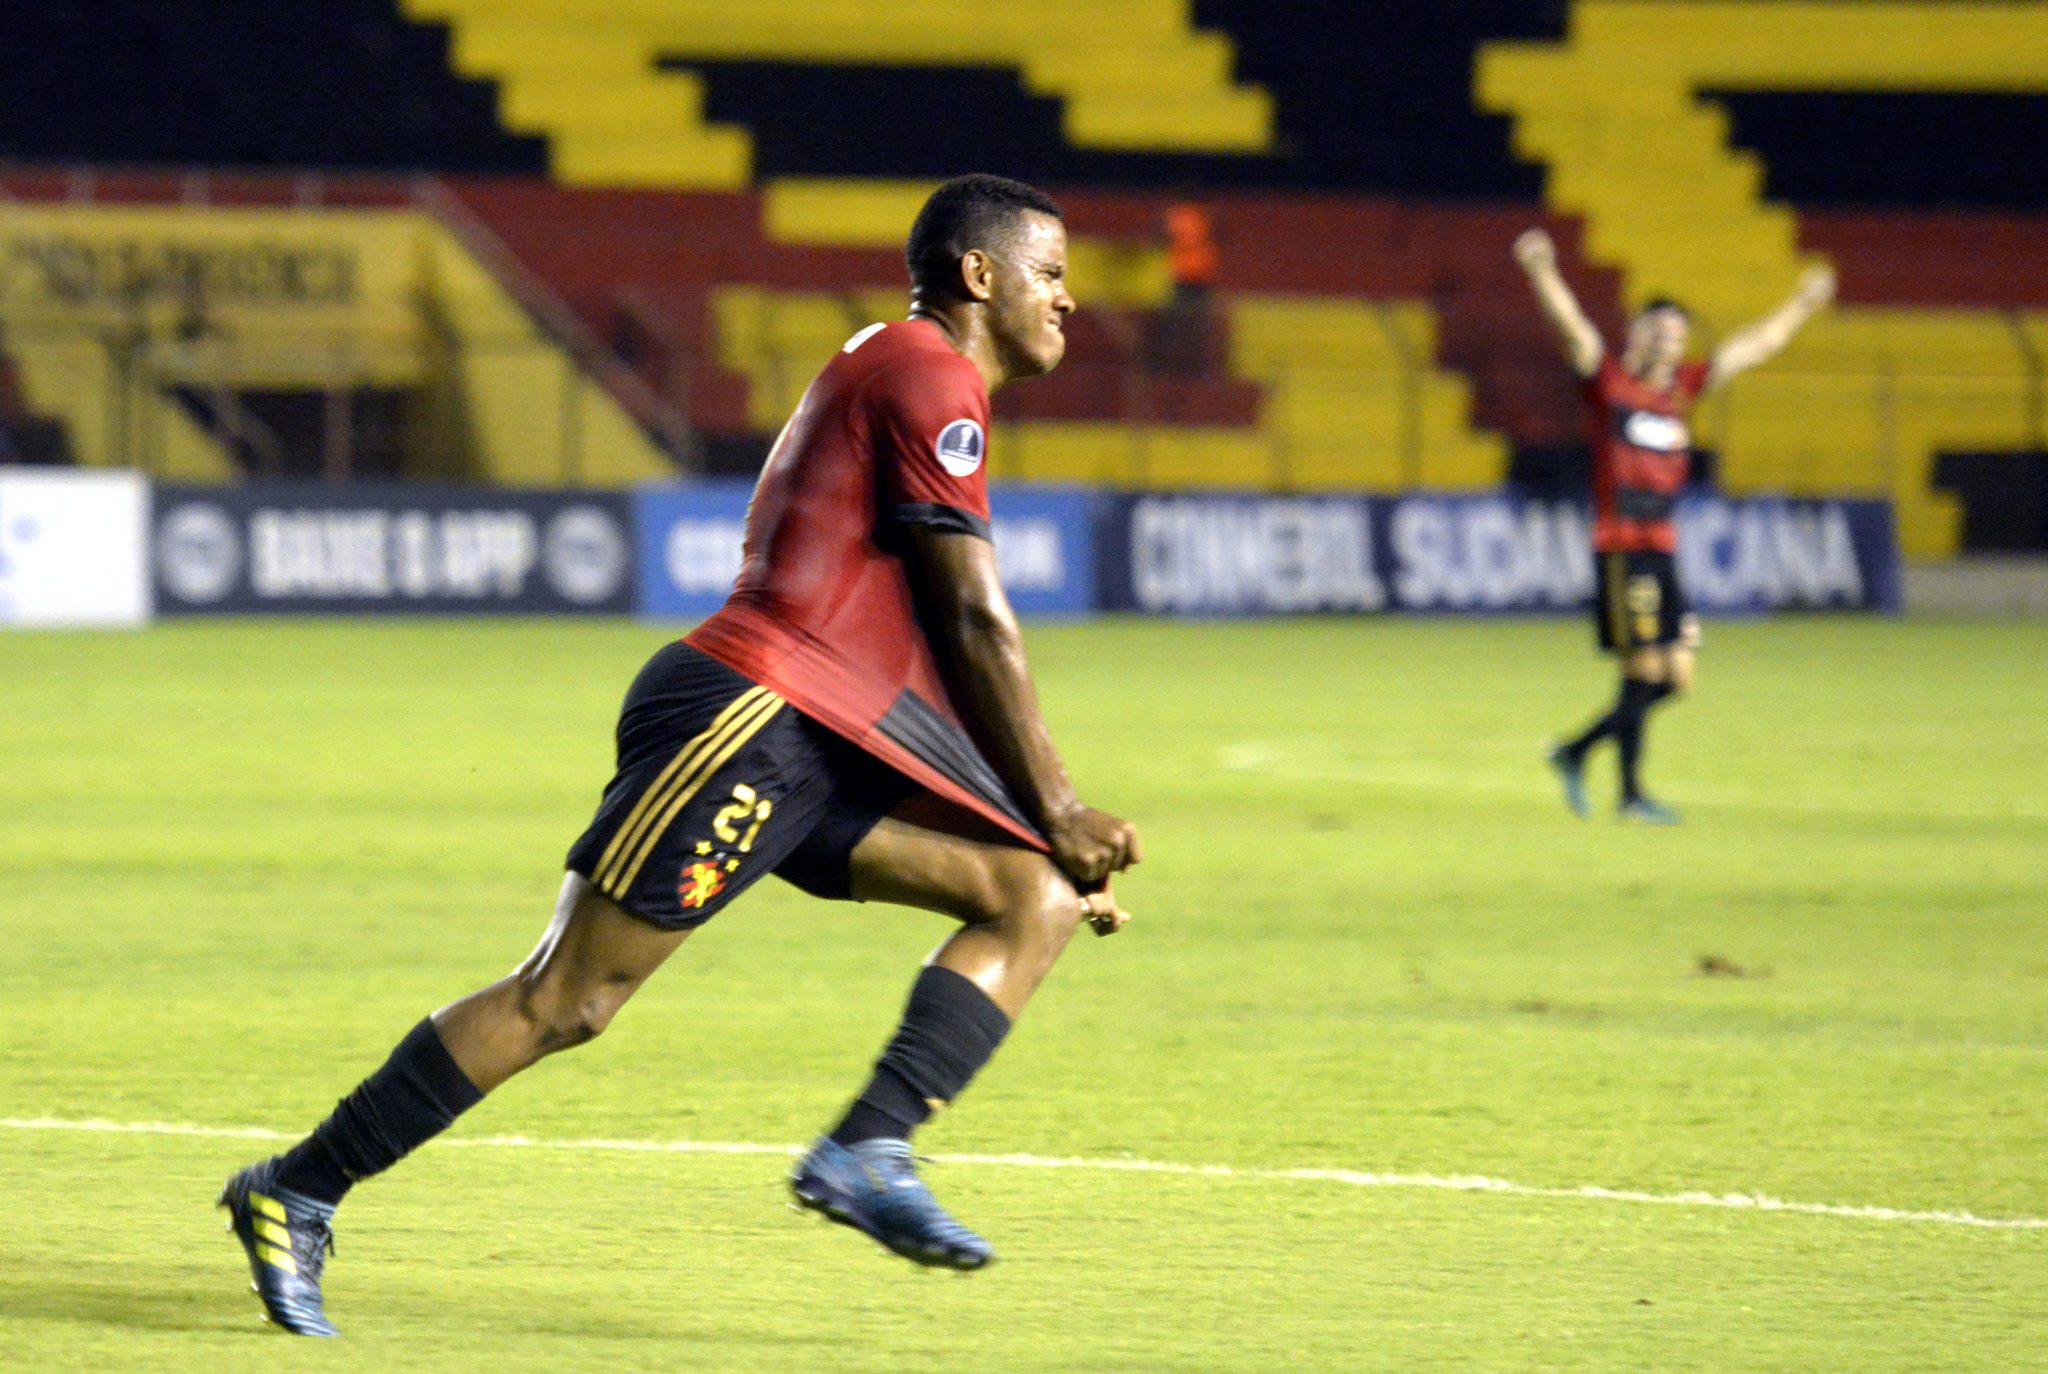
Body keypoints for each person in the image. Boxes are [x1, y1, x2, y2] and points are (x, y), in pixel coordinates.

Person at [218, 174, 1142, 1336]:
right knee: (568, 997)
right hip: (749, 716)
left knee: (1033, 893)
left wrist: (1032, 827)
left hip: (816, 731)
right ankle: (297, 1185)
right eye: (1050, 276)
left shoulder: (908, 370)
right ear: (977, 274)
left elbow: (904, 667)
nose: (1066, 303)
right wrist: (1051, 798)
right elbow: (970, 619)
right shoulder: (927, 373)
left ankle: (868, 1147)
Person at [1512, 228, 1834, 822]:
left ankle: (1575, 752)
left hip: (1663, 548)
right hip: (1622, 548)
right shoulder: (1609, 383)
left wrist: (1803, 304)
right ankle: (1630, 795)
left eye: (1678, 337)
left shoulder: (1682, 390)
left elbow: (1754, 345)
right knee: (1643, 671)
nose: (1669, 344)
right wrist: (1542, 271)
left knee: (1674, 679)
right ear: (1638, 334)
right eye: (1660, 332)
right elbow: (1572, 329)